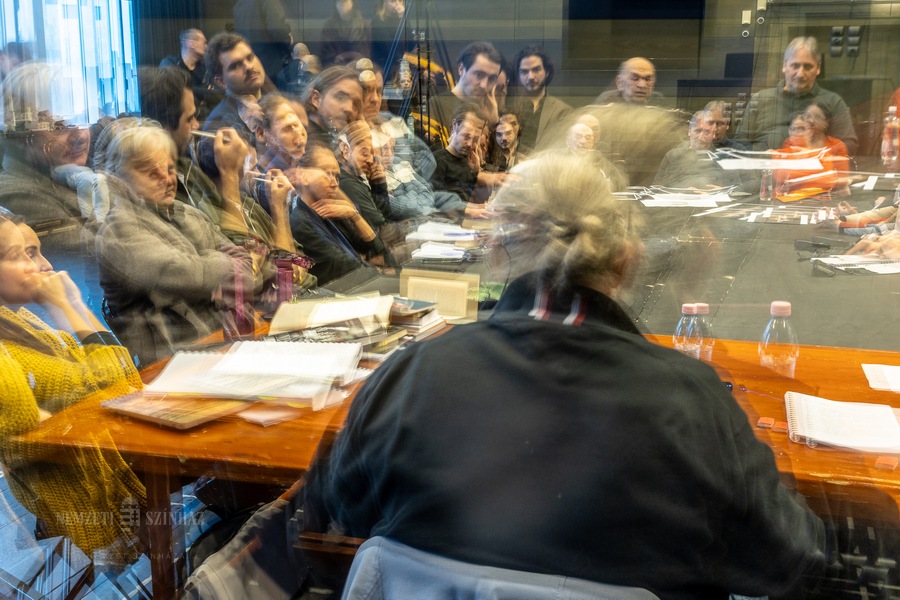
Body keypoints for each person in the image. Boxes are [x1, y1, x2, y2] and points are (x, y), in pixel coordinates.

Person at [305, 150, 825, 599]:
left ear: (495, 250)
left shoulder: (412, 375)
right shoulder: (693, 401)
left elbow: (342, 509)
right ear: (627, 261)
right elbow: (785, 559)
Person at [0, 211, 146, 565]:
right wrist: (65, 304)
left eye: (36, 251)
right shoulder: (7, 350)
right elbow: (114, 387)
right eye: (21, 254)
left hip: (115, 502)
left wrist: (75, 304)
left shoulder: (24, 323)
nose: (44, 265)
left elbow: (125, 379)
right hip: (86, 529)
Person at [96, 125, 257, 366]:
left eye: (170, 169)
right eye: (152, 173)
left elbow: (248, 273)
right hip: (171, 363)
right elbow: (188, 275)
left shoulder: (188, 214)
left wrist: (209, 268)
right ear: (120, 181)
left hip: (220, 346)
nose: (167, 179)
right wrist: (217, 265)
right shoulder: (119, 231)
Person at [735, 36, 858, 154]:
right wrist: (764, 155)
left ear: (818, 68)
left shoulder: (833, 102)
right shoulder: (760, 100)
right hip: (765, 167)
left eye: (808, 67)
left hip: (814, 168)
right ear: (784, 66)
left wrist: (815, 154)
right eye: (795, 66)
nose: (800, 74)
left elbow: (850, 145)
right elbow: (739, 144)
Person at [289, 144, 382, 285]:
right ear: (303, 176)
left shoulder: (333, 210)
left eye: (337, 176)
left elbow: (374, 248)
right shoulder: (301, 222)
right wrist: (377, 269)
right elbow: (349, 270)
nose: (335, 184)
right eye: (328, 174)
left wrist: (354, 215)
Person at [431, 103, 504, 203]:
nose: (470, 144)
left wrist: (476, 172)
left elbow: (475, 199)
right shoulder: (437, 161)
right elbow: (435, 203)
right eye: (466, 136)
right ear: (454, 125)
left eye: (475, 139)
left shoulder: (468, 162)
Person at [203, 32, 266, 145]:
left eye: (250, 57)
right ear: (221, 81)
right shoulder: (218, 125)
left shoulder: (277, 100)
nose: (249, 67)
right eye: (235, 65)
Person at [428, 41, 503, 135]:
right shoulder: (436, 106)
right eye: (479, 75)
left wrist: (494, 122)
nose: (484, 85)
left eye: (491, 79)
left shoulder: (490, 110)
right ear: (461, 69)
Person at [654, 111, 741, 189]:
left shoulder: (724, 158)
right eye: (697, 131)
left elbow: (737, 190)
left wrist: (721, 191)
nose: (701, 137)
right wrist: (679, 193)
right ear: (689, 131)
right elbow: (656, 188)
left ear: (713, 134)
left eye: (707, 132)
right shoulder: (672, 155)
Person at [510, 45, 570, 151]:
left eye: (536, 70)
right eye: (524, 72)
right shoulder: (509, 108)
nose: (531, 77)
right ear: (518, 75)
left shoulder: (563, 111)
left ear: (547, 72)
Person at [159, 28, 218, 120]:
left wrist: (189, 89)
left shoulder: (205, 68)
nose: (206, 47)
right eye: (204, 43)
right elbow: (175, 90)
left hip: (205, 116)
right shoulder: (169, 63)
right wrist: (204, 91)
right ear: (191, 43)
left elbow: (215, 95)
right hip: (178, 118)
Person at [232, 0, 294, 83]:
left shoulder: (239, 5)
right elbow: (277, 30)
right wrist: (288, 40)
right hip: (272, 66)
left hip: (251, 67)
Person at [301, 66, 363, 147]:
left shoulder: (338, 141)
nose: (349, 109)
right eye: (340, 98)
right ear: (316, 99)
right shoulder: (302, 143)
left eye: (355, 104)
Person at [594, 57, 666, 106]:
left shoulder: (657, 100)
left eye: (647, 79)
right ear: (620, 82)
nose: (642, 85)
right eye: (635, 78)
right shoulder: (607, 100)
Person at [320, 0, 371, 68]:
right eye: (338, 1)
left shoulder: (363, 26)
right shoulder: (329, 26)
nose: (341, 4)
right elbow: (326, 56)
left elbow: (365, 55)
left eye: (344, 1)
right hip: (336, 70)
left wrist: (351, 57)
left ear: (353, 3)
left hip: (358, 69)